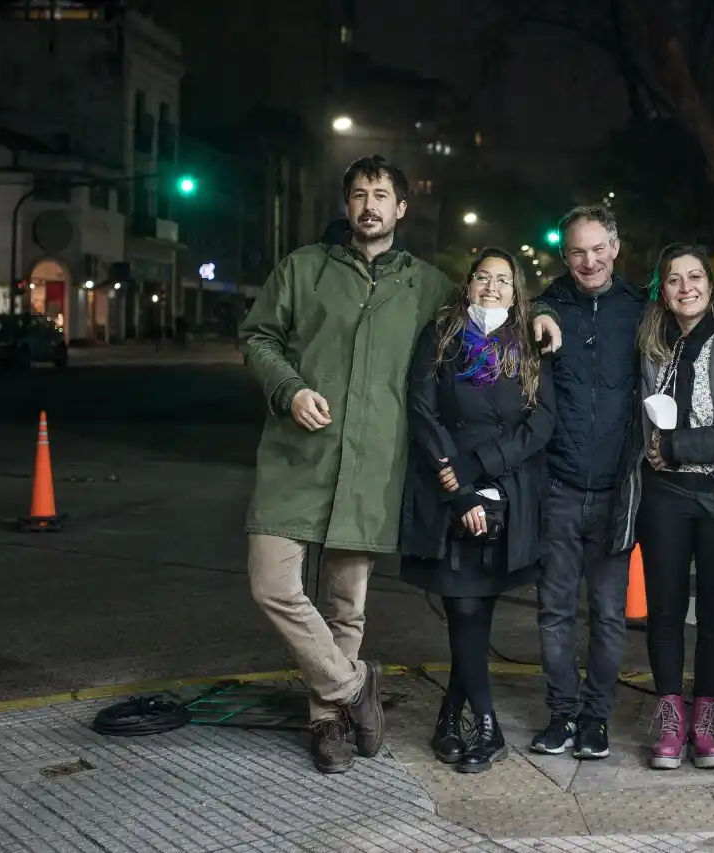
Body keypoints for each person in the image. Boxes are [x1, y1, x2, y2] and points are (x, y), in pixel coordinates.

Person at [240, 155, 561, 774]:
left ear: (401, 208)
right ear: (346, 204)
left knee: (345, 607)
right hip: (296, 458)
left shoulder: (429, 286)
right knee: (272, 585)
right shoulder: (303, 269)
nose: (369, 205)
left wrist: (547, 314)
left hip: (370, 469)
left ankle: (327, 722)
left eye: (381, 195)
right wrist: (288, 389)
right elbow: (258, 337)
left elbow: (491, 309)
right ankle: (354, 688)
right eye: (359, 194)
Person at [401, 248, 555, 774]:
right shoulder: (441, 337)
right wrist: (458, 486)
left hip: (507, 489)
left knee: (476, 608)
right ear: (468, 285)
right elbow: (421, 409)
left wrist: (484, 471)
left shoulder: (528, 346)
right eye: (483, 278)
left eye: (503, 281)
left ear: (517, 293)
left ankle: (450, 713)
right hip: (448, 488)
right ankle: (487, 726)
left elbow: (540, 424)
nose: (492, 288)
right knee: (463, 607)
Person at [530, 205, 647, 761]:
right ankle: (561, 714)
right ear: (565, 257)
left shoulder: (641, 312)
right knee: (553, 611)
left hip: (615, 494)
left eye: (598, 248)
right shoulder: (545, 307)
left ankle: (596, 718)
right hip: (558, 487)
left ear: (616, 248)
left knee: (607, 613)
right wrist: (533, 308)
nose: (589, 260)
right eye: (577, 251)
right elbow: (491, 314)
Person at [634, 243, 714, 770]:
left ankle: (706, 718)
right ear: (663, 289)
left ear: (711, 282)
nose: (686, 287)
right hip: (664, 494)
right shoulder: (651, 338)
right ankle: (672, 716)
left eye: (695, 276)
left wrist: (675, 447)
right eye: (674, 279)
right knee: (666, 607)